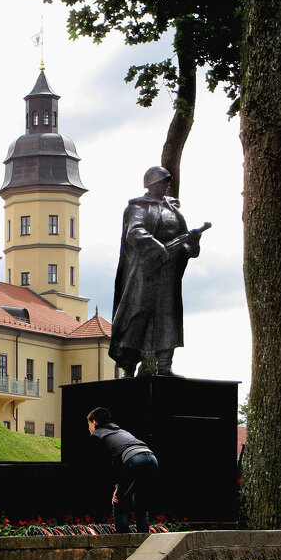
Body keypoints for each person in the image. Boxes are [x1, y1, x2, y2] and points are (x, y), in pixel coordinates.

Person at [109, 165, 203, 378]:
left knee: (168, 316)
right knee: (137, 315)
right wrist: (158, 248)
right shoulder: (138, 207)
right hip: (144, 272)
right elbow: (134, 232)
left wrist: (192, 243)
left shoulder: (173, 209)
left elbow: (186, 243)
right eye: (163, 181)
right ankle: (129, 367)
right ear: (151, 184)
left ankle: (165, 366)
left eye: (168, 181)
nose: (167, 184)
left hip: (168, 273)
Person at [87, 406, 158, 533]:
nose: (88, 429)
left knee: (119, 501)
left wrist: (117, 488)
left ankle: (123, 540)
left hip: (134, 460)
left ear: (94, 422)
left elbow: (107, 466)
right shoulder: (120, 431)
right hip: (151, 459)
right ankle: (144, 539)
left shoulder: (97, 435)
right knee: (141, 503)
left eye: (89, 424)